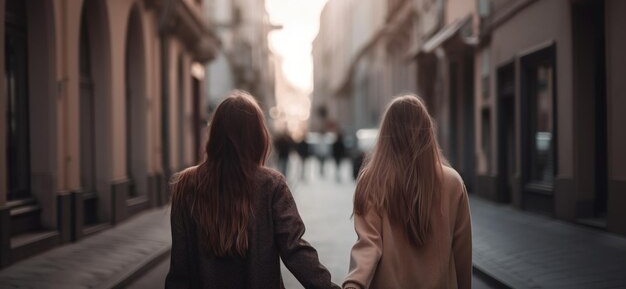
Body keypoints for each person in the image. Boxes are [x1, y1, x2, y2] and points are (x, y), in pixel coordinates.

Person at [166, 91, 339, 289]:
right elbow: (295, 250)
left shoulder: (186, 184)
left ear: (214, 133)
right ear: (258, 136)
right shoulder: (271, 184)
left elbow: (179, 266)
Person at [343, 95, 472, 289]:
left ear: (386, 133)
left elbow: (368, 245)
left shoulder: (373, 181)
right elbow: (462, 254)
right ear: (427, 131)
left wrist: (354, 284)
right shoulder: (452, 182)